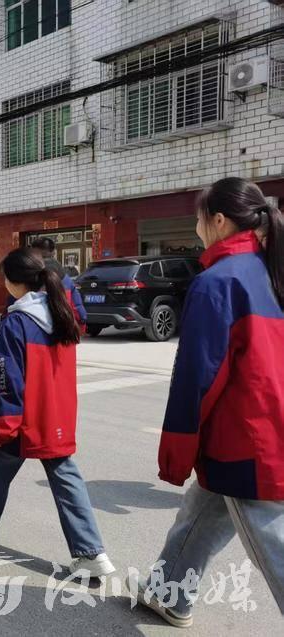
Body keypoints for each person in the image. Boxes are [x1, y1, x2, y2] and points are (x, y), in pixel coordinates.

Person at [129, 177, 284, 628]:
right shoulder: (271, 273)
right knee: (203, 508)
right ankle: (169, 592)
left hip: (248, 438)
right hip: (268, 426)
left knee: (273, 547)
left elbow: (198, 379)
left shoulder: (218, 282)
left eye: (198, 218)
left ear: (217, 220)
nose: (196, 227)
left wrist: (176, 451)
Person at [0, 247, 115, 580]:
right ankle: (90, 551)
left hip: (22, 417)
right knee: (58, 475)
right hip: (56, 415)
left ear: (14, 283)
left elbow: (7, 381)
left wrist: (4, 423)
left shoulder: (16, 322)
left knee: (1, 464)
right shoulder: (62, 313)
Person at [30, 237, 86, 325]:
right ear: (53, 252)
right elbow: (76, 303)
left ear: (33, 251)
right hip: (63, 325)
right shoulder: (64, 275)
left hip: (37, 324)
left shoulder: (30, 273)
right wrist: (82, 318)